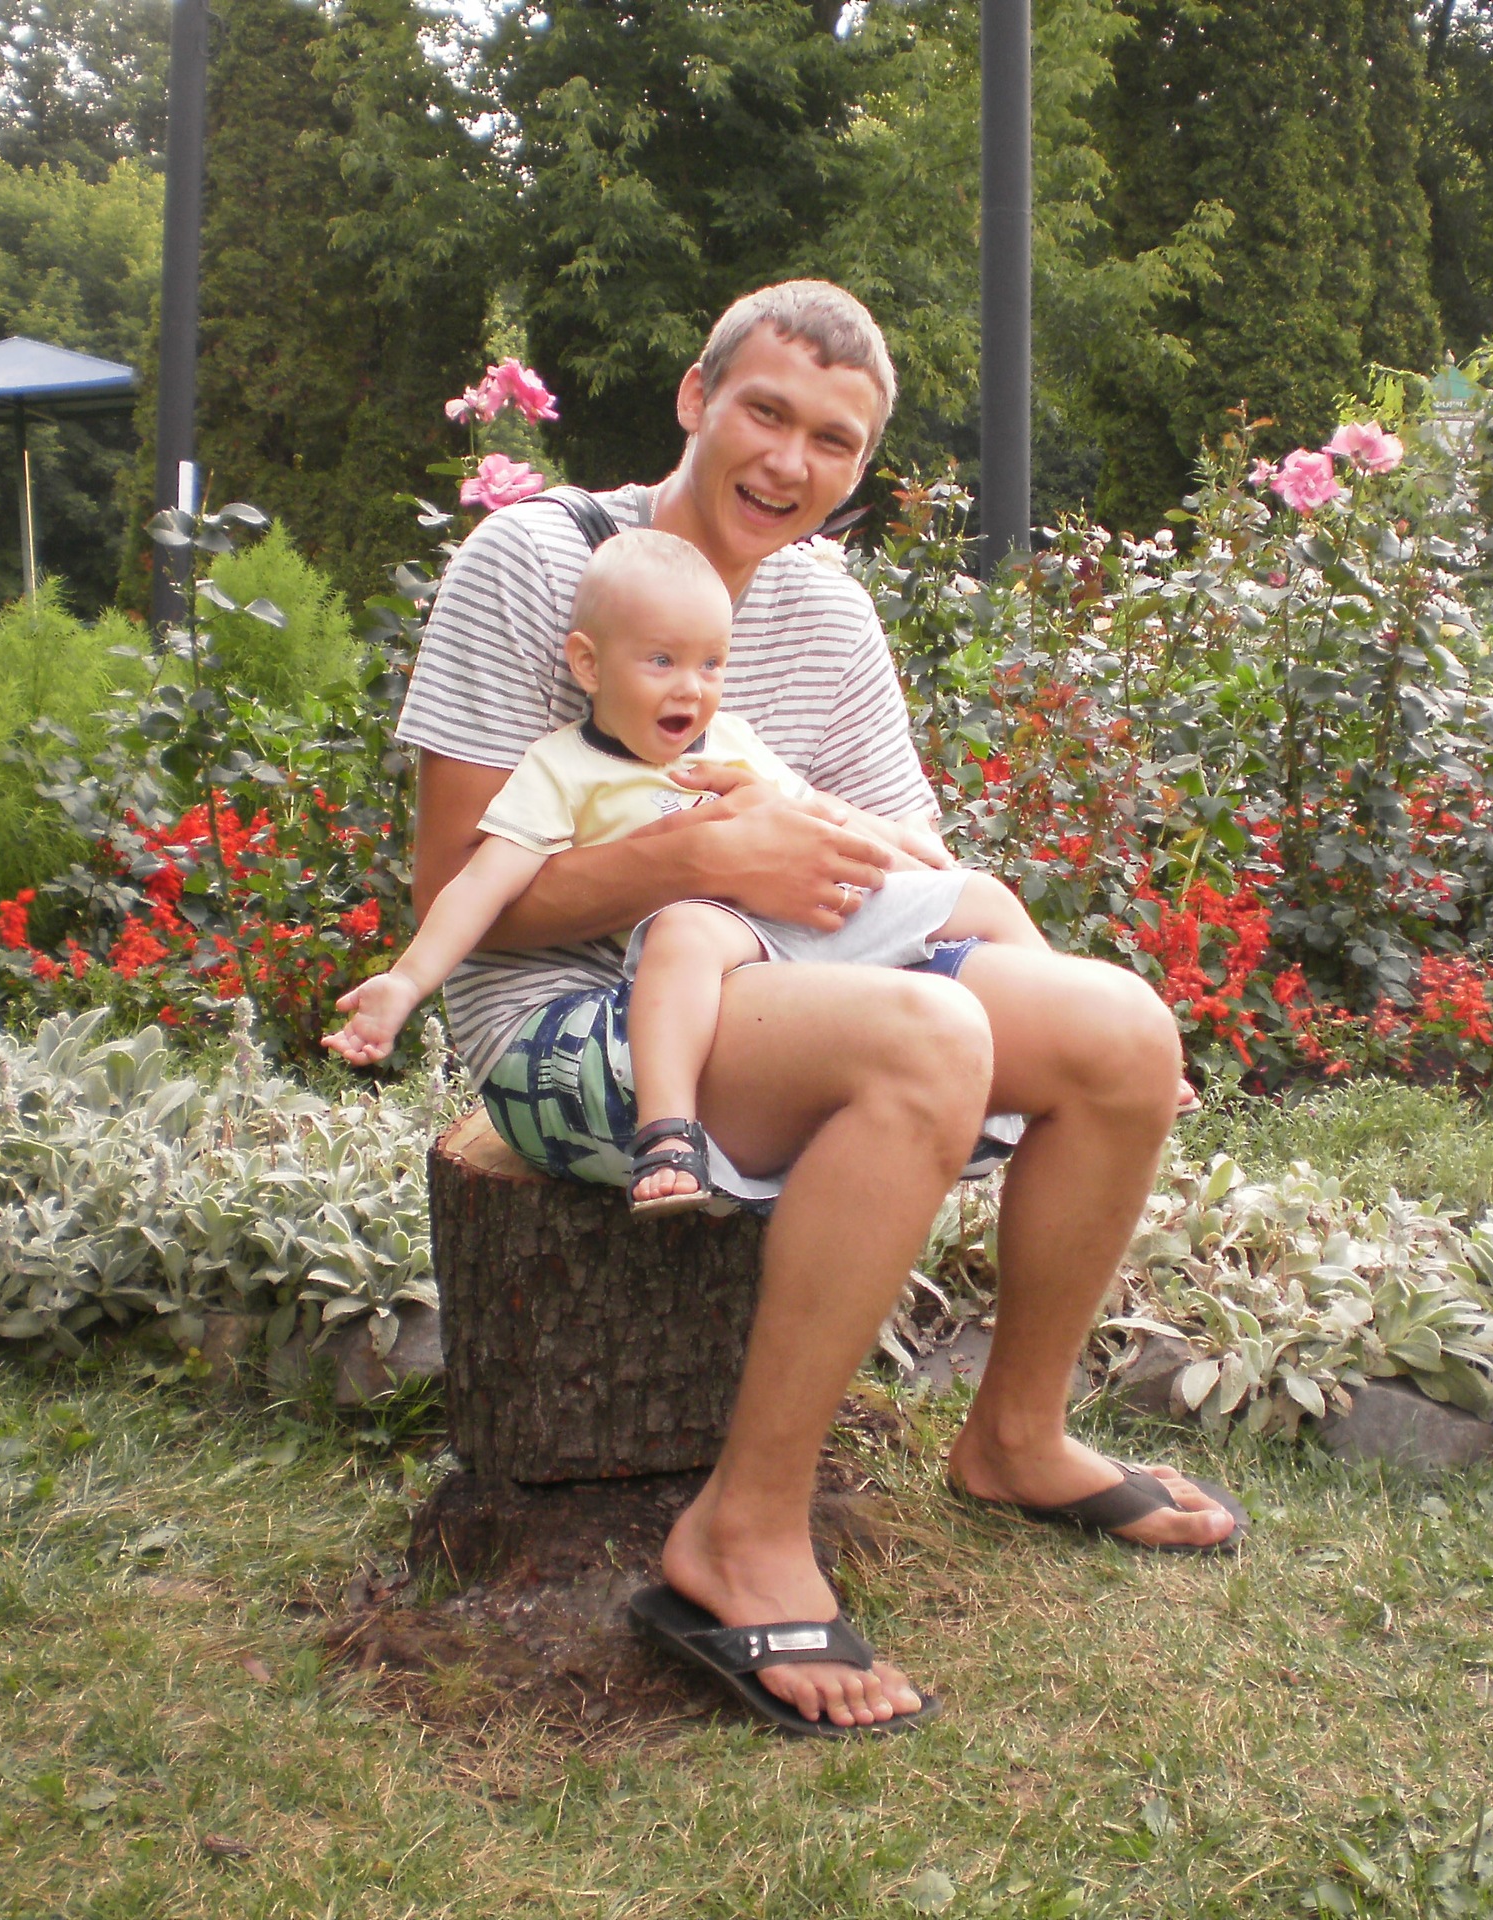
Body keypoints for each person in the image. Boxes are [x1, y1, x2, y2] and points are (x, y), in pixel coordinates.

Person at [395, 280, 1242, 1735]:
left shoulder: (828, 611)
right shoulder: (536, 564)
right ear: (696, 398)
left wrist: (958, 920)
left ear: (862, 465)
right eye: (766, 413)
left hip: (790, 985)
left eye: (834, 442)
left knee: (1119, 1030)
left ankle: (1018, 1438)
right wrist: (701, 857)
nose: (790, 464)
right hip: (564, 1025)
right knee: (931, 1038)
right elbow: (449, 895)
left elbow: (900, 873)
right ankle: (743, 1530)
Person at [326, 526, 1040, 1214]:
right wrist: (407, 982)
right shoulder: (563, 769)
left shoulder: (730, 741)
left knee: (981, 895)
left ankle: (1051, 1045)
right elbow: (484, 882)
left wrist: (905, 847)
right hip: (702, 955)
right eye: (661, 661)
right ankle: (668, 1135)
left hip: (788, 939)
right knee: (685, 928)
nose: (690, 689)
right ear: (589, 665)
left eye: (711, 664)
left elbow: (817, 809)